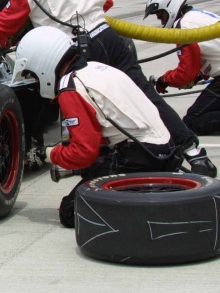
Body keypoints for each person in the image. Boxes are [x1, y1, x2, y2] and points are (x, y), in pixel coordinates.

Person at [0, 0, 216, 178]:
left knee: (49, 98)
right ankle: (194, 152)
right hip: (109, 38)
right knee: (145, 94)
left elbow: (3, 25)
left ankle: (44, 152)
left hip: (75, 50)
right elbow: (106, 0)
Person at [12, 26, 181, 228]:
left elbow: (83, 152)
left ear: (42, 64)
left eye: (33, 74)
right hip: (164, 149)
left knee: (69, 212)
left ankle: (140, 202)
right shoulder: (97, 68)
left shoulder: (70, 88)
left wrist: (48, 154)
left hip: (141, 156)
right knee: (97, 164)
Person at [144, 0, 220, 142]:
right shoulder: (197, 16)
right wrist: (197, 76)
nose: (160, 22)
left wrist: (165, 80)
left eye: (160, 16)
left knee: (192, 122)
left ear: (169, 8)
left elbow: (186, 73)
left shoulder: (184, 29)